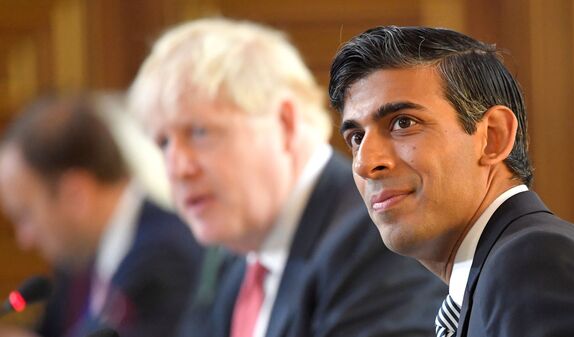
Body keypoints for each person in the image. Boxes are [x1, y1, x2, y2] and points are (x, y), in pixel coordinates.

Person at [128, 18, 446, 337]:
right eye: (163, 143)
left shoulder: (376, 236)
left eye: (199, 132)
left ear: (285, 123)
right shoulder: (234, 258)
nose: (178, 168)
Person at [328, 25, 574, 337]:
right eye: (356, 137)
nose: (365, 163)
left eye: (403, 123)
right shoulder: (498, 274)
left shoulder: (537, 264)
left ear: (493, 137)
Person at [0, 94, 204, 337]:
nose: (25, 238)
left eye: (26, 215)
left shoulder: (166, 257)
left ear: (75, 195)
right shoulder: (76, 257)